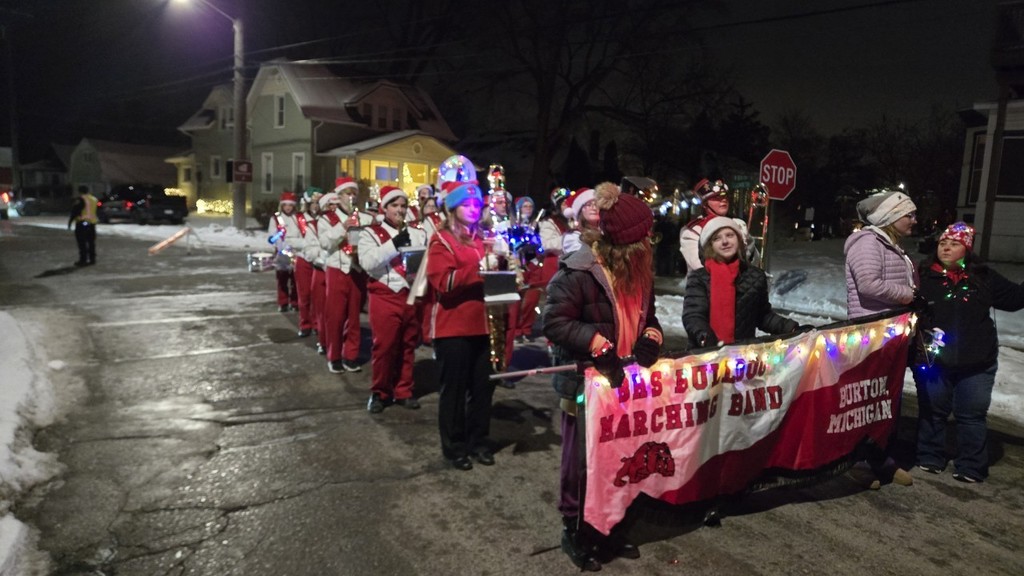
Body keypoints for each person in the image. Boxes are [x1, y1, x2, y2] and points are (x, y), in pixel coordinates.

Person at [543, 181, 662, 571]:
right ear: (623, 244)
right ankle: (575, 528)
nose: (649, 244)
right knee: (581, 461)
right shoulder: (580, 269)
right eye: (643, 239)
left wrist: (650, 336)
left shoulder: (640, 267)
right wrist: (598, 344)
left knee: (619, 459)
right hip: (585, 384)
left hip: (622, 385)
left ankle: (610, 527)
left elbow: (650, 316)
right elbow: (555, 320)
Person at [912, 222, 1024, 483]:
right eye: (942, 243)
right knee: (933, 410)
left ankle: (971, 465)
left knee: (971, 414)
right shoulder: (923, 275)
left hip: (977, 361)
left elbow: (1016, 299)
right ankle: (930, 455)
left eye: (954, 243)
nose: (946, 247)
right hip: (934, 358)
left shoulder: (983, 277)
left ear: (967, 249)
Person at [844, 189, 918, 488]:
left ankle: (883, 461)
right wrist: (910, 296)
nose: (914, 220)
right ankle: (862, 463)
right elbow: (868, 284)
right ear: (890, 217)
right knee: (869, 400)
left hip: (891, 333)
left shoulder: (890, 245)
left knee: (887, 398)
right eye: (909, 215)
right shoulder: (866, 243)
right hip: (871, 334)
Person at [425, 179, 495, 471]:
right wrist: (480, 268)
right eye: (466, 204)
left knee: (483, 388)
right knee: (453, 391)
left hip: (484, 324)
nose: (472, 209)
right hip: (453, 325)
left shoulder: (483, 238)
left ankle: (479, 441)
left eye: (476, 204)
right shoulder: (441, 240)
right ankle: (454, 447)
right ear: (452, 208)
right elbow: (443, 282)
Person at [358, 186, 428, 414]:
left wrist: (420, 291)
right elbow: (368, 263)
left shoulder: (418, 232)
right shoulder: (370, 232)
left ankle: (404, 390)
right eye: (394, 205)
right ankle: (380, 392)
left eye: (403, 206)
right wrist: (394, 244)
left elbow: (424, 265)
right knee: (384, 346)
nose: (399, 210)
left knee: (408, 344)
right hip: (385, 294)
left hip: (410, 295)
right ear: (385, 208)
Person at [682, 216, 798, 347]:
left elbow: (763, 316)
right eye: (717, 238)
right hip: (705, 356)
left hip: (741, 356)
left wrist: (791, 327)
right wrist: (703, 335)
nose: (725, 241)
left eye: (730, 235)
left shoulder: (755, 276)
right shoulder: (699, 278)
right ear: (710, 246)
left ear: (739, 239)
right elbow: (693, 315)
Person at [318, 177, 374, 374]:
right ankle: (334, 356)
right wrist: (343, 227)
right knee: (335, 316)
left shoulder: (364, 217)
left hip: (357, 270)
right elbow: (325, 243)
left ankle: (350, 355)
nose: (351, 197)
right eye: (347, 193)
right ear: (338, 196)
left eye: (354, 194)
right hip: (337, 269)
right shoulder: (327, 219)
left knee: (354, 317)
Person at [678, 179, 755, 275]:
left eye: (725, 196)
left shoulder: (739, 224)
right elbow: (698, 266)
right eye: (716, 197)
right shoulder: (693, 230)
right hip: (705, 286)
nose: (723, 200)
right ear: (705, 204)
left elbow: (752, 259)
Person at [303, 188, 329, 355]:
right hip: (320, 269)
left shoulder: (340, 223)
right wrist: (322, 256)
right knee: (319, 308)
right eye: (312, 202)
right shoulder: (312, 224)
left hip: (337, 271)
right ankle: (323, 339)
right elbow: (309, 251)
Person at [268, 191, 302, 313]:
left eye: (290, 205)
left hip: (296, 252)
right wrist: (279, 234)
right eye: (285, 205)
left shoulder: (298, 218)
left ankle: (295, 302)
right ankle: (283, 302)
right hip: (282, 252)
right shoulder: (276, 218)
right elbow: (271, 239)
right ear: (282, 205)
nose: (288, 207)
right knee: (282, 280)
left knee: (295, 279)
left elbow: (302, 234)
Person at [295, 187, 322, 338]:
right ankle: (305, 324)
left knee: (318, 297)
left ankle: (317, 324)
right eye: (313, 203)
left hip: (320, 261)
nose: (315, 206)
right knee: (304, 295)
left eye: (318, 203)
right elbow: (292, 239)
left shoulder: (325, 218)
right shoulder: (299, 218)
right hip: (304, 260)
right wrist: (307, 246)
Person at [67, 185, 99, 266]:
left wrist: (70, 223)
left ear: (79, 191)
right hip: (92, 223)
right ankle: (92, 259)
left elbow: (75, 211)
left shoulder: (80, 199)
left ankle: (83, 260)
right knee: (91, 242)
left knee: (82, 243)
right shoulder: (94, 199)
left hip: (82, 223)